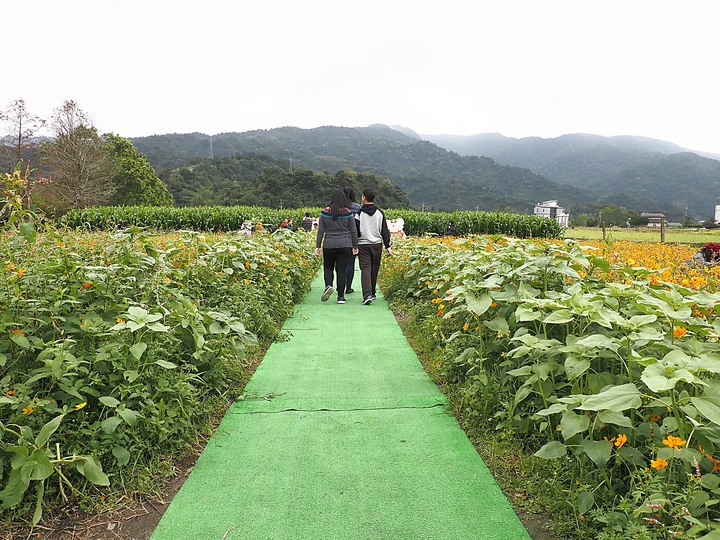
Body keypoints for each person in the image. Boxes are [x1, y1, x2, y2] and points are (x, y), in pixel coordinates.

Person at [316, 189, 359, 304]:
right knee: (341, 270)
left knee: (328, 267)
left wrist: (318, 246)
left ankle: (328, 286)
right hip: (345, 244)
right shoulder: (348, 212)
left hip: (329, 244)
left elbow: (320, 231)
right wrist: (355, 245)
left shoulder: (324, 212)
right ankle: (341, 297)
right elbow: (353, 230)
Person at [355, 187, 392, 305]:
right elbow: (385, 231)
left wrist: (354, 244)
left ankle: (367, 295)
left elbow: (355, 230)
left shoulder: (359, 213)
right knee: (374, 268)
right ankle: (373, 292)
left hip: (363, 244)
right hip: (377, 244)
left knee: (365, 268)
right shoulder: (379, 213)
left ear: (364, 198)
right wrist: (388, 246)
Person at [343, 186, 362, 294]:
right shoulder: (357, 207)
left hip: (341, 237)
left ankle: (340, 286)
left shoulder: (339, 207)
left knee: (341, 264)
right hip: (353, 238)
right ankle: (348, 287)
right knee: (350, 263)